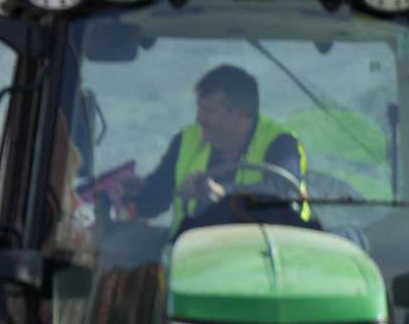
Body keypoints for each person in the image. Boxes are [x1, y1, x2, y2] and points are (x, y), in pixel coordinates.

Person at [122, 65, 307, 227]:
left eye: (209, 111)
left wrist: (223, 193)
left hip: (271, 257)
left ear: (244, 115)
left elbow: (284, 191)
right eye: (199, 108)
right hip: (191, 256)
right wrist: (136, 198)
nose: (199, 119)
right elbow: (161, 193)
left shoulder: (281, 143)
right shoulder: (187, 140)